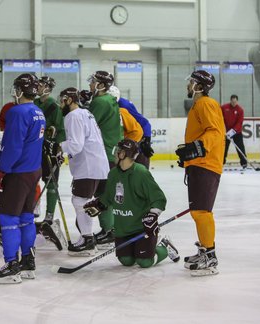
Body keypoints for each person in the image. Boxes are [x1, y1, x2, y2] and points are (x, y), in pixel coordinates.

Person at [84, 139, 180, 268]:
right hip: (123, 229)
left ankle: (164, 247)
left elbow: (159, 198)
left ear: (124, 154)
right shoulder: (113, 174)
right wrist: (100, 204)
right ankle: (141, 250)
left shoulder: (141, 173)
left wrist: (153, 215)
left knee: (144, 262)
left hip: (142, 228)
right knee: (126, 261)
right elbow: (109, 196)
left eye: (118, 151)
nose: (115, 154)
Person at [0, 73, 45, 284]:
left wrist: (2, 170)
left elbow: (12, 146)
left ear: (21, 90)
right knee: (26, 217)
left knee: (9, 218)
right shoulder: (38, 111)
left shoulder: (17, 112)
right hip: (33, 171)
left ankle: (11, 265)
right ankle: (28, 262)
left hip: (18, 172)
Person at [175, 70, 225, 276]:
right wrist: (189, 155)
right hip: (199, 163)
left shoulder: (206, 104)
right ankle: (205, 249)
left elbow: (215, 131)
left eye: (192, 82)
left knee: (202, 212)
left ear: (199, 86)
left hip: (206, 164)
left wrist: (196, 148)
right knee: (198, 211)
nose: (188, 85)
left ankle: (210, 257)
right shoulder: (199, 105)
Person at [57, 87, 109, 256]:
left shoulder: (73, 116)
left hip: (88, 166)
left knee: (80, 201)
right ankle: (91, 238)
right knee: (85, 201)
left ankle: (88, 240)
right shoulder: (86, 113)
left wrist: (59, 147)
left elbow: (76, 145)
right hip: (97, 164)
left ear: (70, 100)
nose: (60, 104)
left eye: (62, 100)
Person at [86, 71, 122, 248]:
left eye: (93, 82)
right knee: (104, 192)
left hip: (104, 153)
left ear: (101, 85)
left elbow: (88, 124)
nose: (91, 84)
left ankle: (109, 230)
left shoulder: (99, 102)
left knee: (101, 193)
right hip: (111, 151)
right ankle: (110, 229)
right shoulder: (109, 99)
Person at [34, 76, 65, 225]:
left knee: (51, 183)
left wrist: (58, 149)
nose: (38, 87)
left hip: (48, 150)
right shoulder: (34, 102)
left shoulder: (54, 106)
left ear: (47, 87)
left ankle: (49, 215)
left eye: (41, 85)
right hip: (34, 149)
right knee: (31, 180)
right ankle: (32, 210)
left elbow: (60, 130)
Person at [108, 86, 154, 169]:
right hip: (124, 145)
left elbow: (144, 122)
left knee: (140, 174)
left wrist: (146, 141)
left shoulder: (124, 106)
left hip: (136, 143)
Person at [221, 94, 247, 168]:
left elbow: (240, 122)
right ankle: (221, 162)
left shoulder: (240, 110)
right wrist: (224, 129)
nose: (234, 103)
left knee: (240, 147)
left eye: (235, 102)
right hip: (226, 132)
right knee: (224, 148)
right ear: (230, 101)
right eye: (232, 102)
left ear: (237, 101)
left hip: (237, 132)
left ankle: (244, 162)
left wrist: (233, 131)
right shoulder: (224, 107)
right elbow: (219, 116)